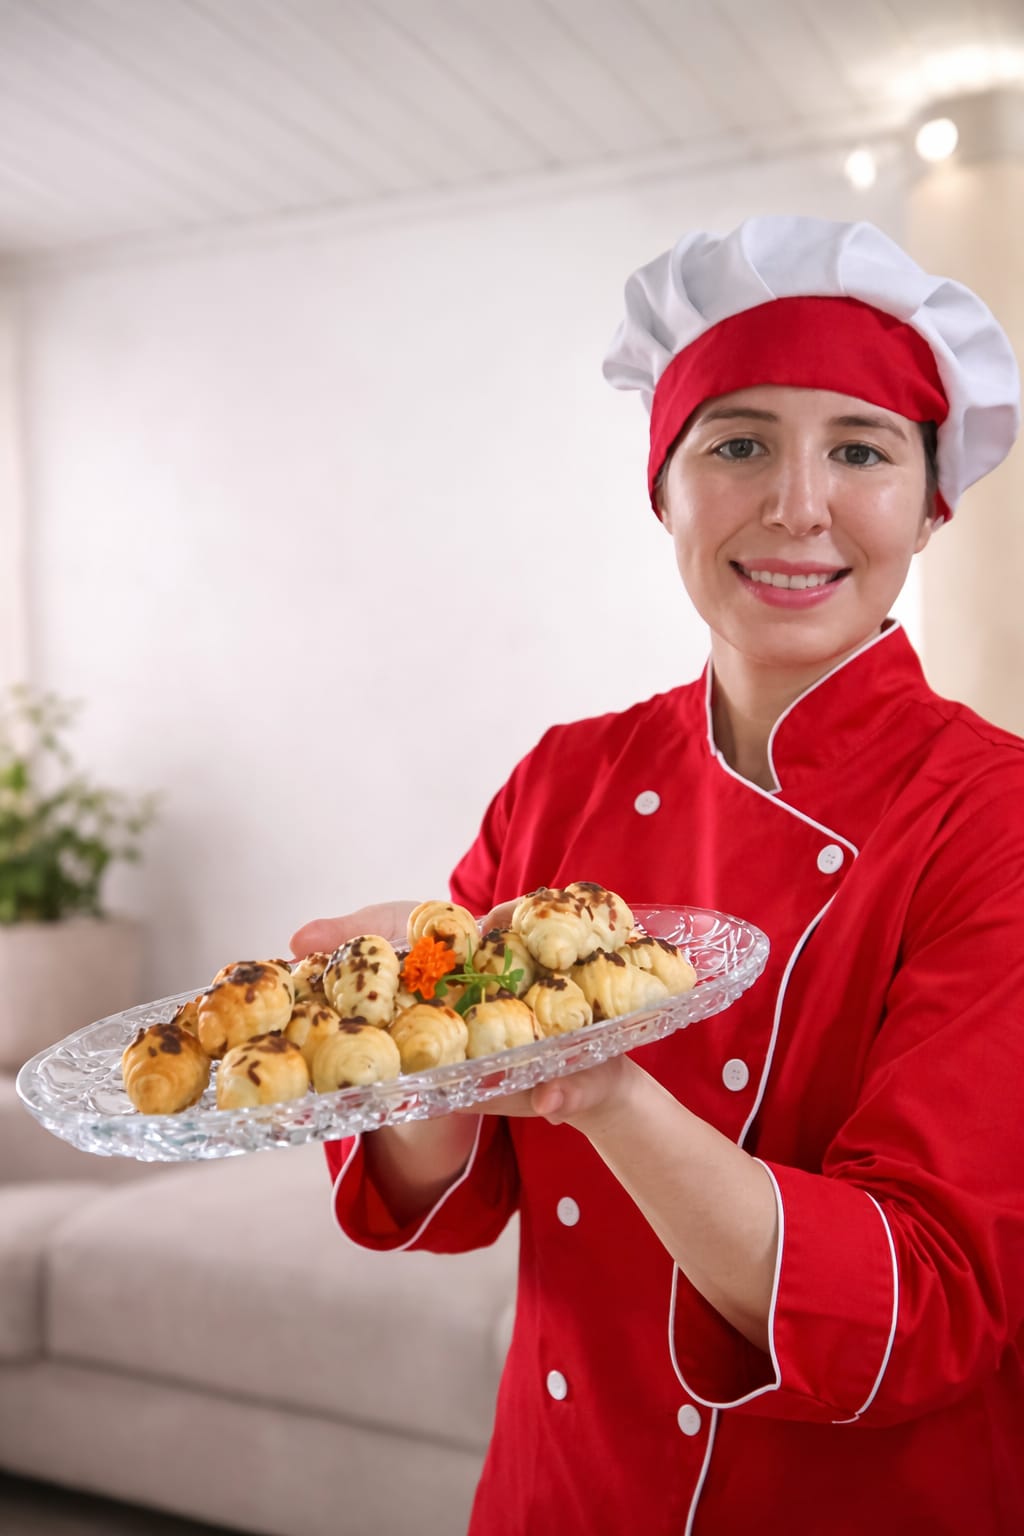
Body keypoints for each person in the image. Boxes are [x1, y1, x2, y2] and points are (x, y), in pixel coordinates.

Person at [292, 216, 1024, 1536]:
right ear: (666, 490)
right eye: (738, 443)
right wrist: (418, 1028)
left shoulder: (995, 820)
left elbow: (926, 1304)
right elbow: (445, 1199)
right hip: (558, 1492)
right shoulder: (564, 778)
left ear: (930, 502)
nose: (796, 503)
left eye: (859, 450)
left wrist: (604, 1092)